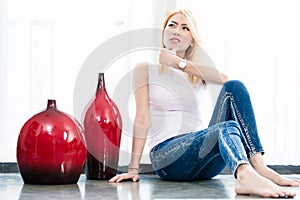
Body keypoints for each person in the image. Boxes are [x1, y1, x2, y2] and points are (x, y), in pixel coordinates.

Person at [109, 9, 299, 198]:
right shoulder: (145, 69)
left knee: (235, 87)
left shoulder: (195, 73)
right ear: (164, 33)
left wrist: (177, 63)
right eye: (172, 25)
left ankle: (260, 167)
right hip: (166, 157)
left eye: (185, 28)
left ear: (191, 40)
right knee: (226, 127)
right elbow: (142, 118)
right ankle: (245, 175)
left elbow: (223, 79)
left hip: (203, 162)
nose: (176, 31)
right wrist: (133, 168)